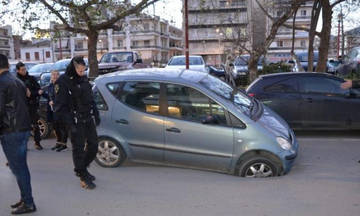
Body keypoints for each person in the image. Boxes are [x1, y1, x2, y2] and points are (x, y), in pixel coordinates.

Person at [54, 56, 100, 189]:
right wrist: (70, 124)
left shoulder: (83, 78)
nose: (82, 73)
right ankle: (83, 175)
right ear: (73, 68)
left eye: (84, 70)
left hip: (87, 117)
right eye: (80, 71)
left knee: (94, 146)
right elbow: (59, 107)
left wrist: (95, 113)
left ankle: (81, 169)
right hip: (75, 120)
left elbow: (90, 97)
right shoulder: (62, 82)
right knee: (78, 149)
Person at [0, 54, 37, 214]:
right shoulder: (17, 80)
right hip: (21, 128)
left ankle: (28, 203)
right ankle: (26, 198)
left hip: (11, 131)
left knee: (19, 168)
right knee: (21, 167)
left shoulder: (2, 82)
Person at [16, 62, 43, 150]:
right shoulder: (16, 80)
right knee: (23, 127)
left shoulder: (31, 78)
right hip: (22, 106)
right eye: (22, 70)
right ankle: (24, 145)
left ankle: (37, 143)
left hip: (32, 105)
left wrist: (32, 94)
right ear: (18, 70)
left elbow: (38, 90)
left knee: (35, 124)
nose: (24, 71)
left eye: (25, 69)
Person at [44, 70, 68, 152]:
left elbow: (62, 97)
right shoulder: (50, 86)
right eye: (53, 75)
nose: (54, 76)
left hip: (61, 110)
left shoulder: (61, 85)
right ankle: (58, 142)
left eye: (56, 75)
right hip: (53, 110)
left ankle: (64, 144)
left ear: (59, 76)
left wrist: (54, 102)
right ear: (51, 76)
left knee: (63, 127)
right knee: (56, 127)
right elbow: (49, 96)